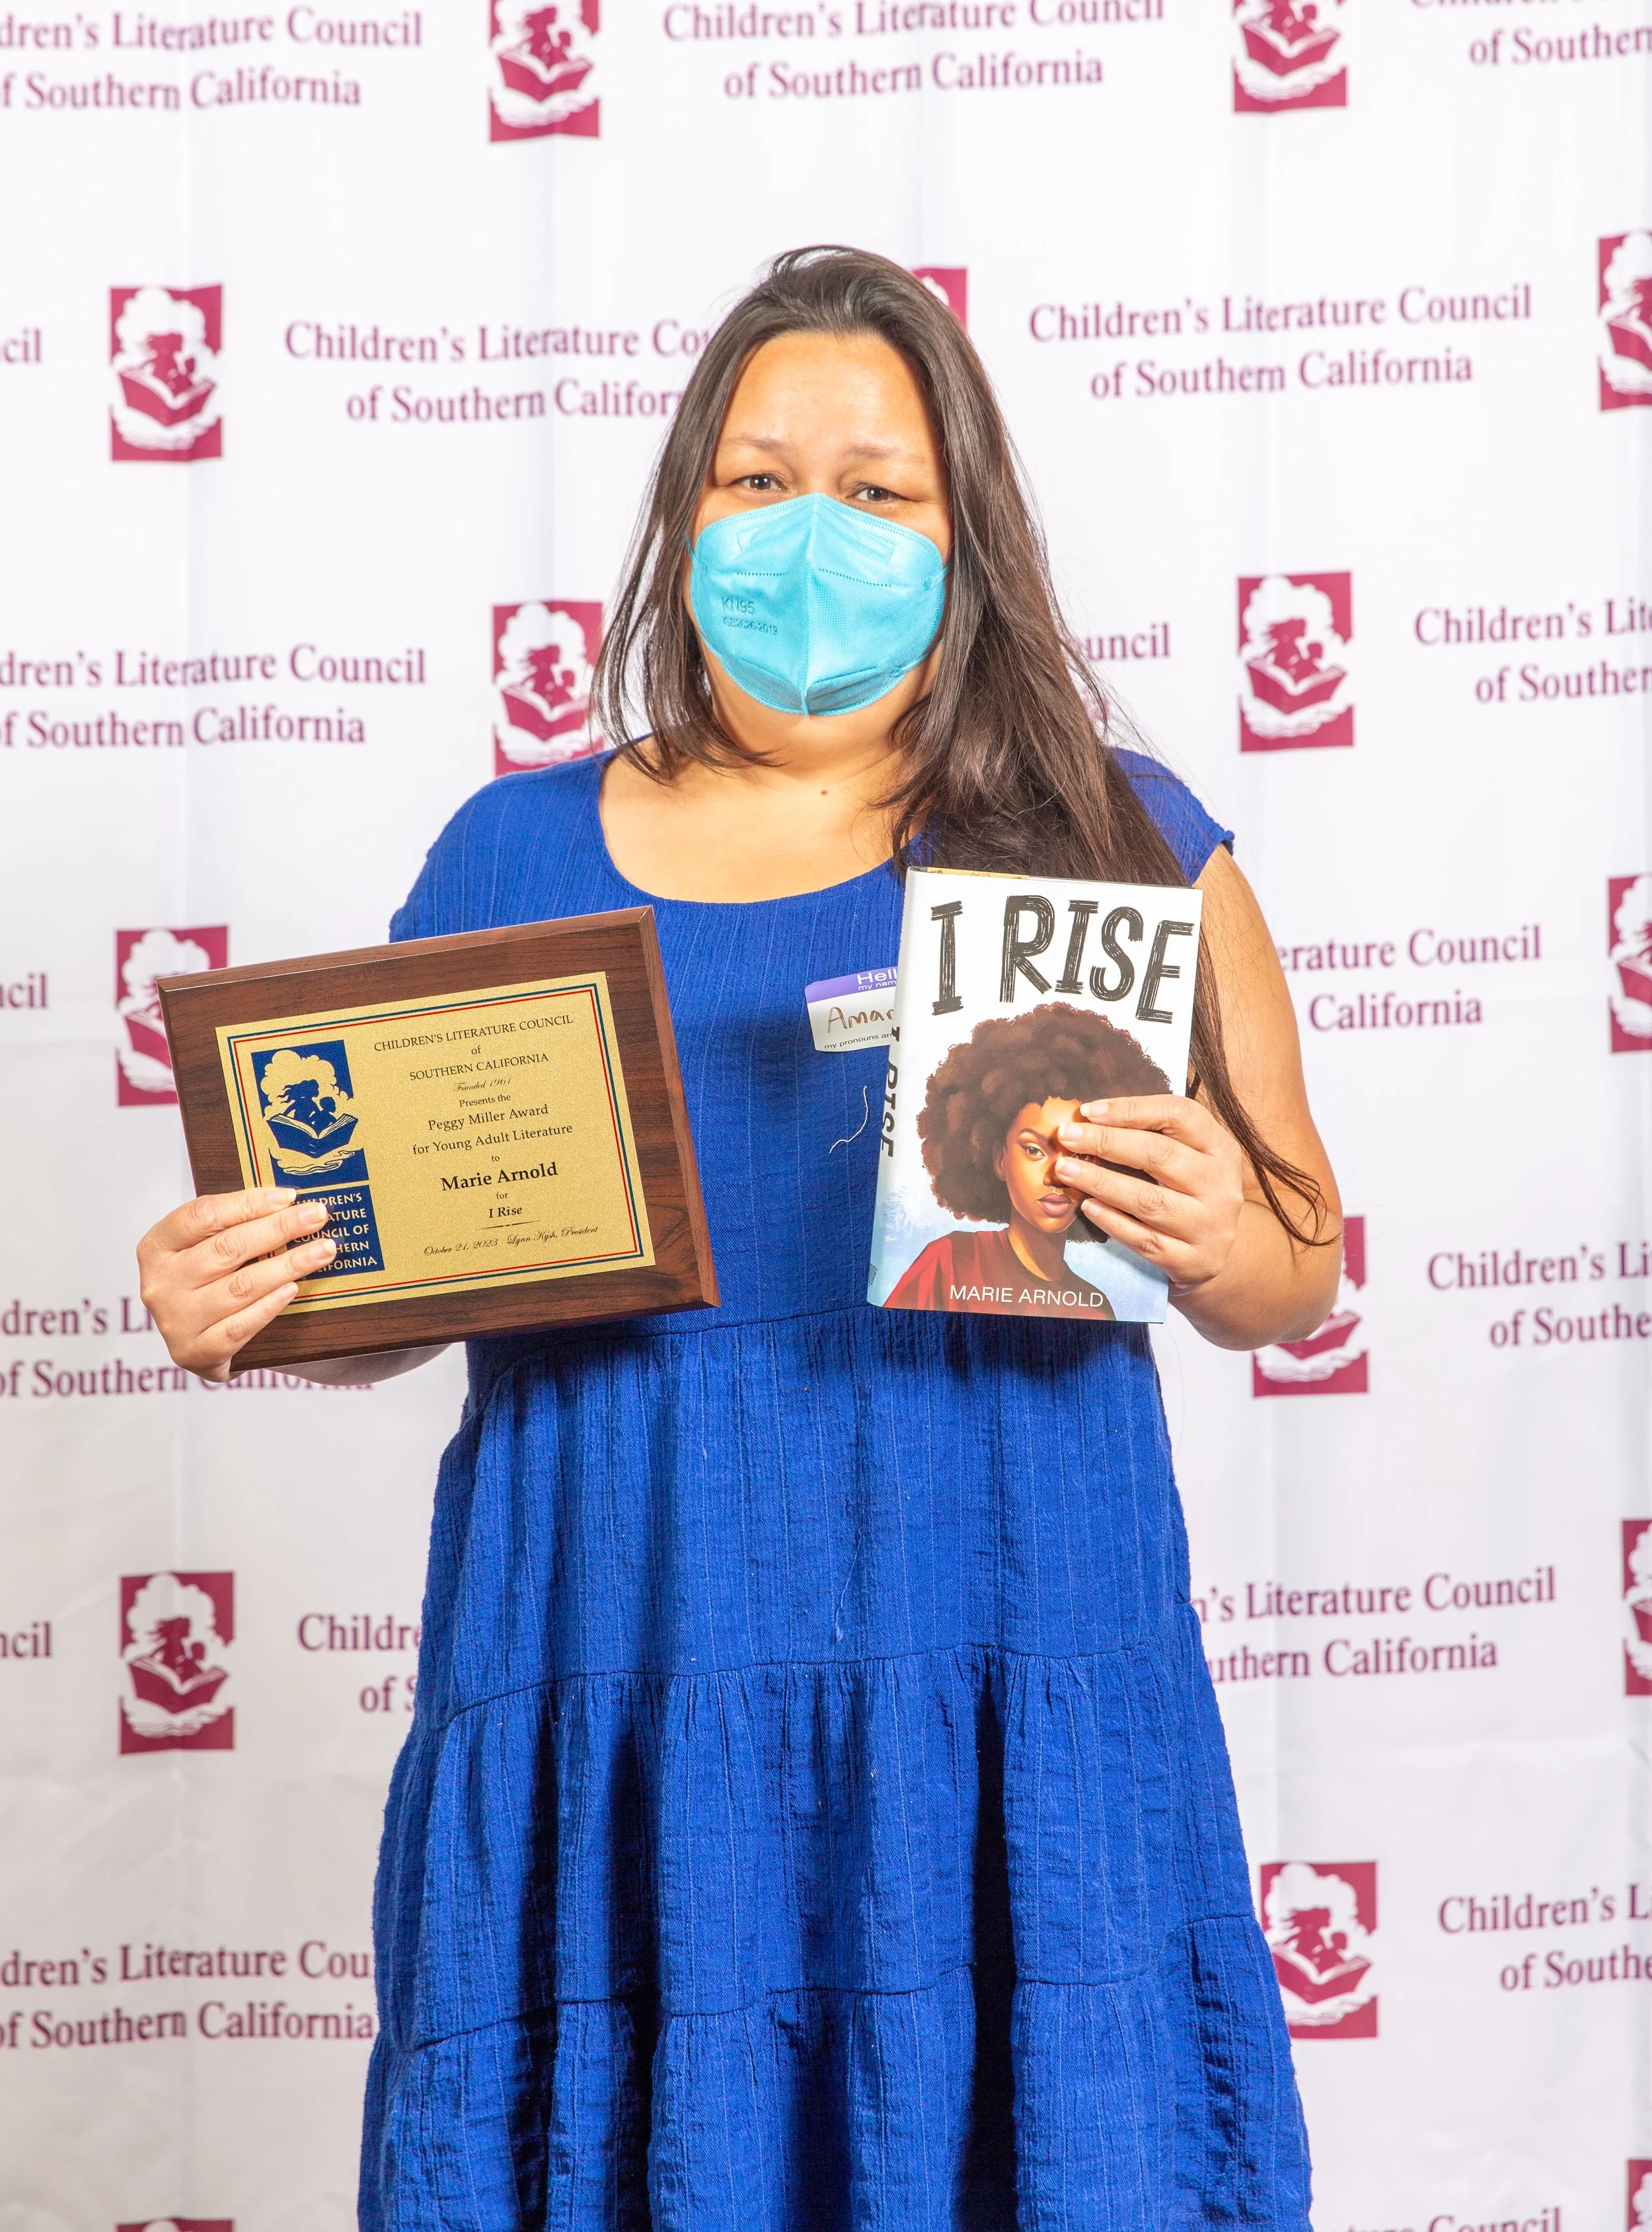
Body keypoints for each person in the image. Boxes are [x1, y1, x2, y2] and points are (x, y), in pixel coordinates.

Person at [137, 246, 1341, 2229]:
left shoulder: (1115, 833)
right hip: (621, 1637)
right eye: (756, 479)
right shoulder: (509, 851)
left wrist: (1221, 1230)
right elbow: (395, 1281)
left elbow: (1295, 1255)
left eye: (875, 489)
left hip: (1001, 1625)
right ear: (683, 511)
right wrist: (259, 1300)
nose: (808, 533)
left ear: (964, 532)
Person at [887, 1003, 1174, 1318]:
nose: (1058, 1176)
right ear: (999, 1159)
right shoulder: (950, 1263)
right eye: (1034, 1150)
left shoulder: (1095, 1309)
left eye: (1080, 1155)